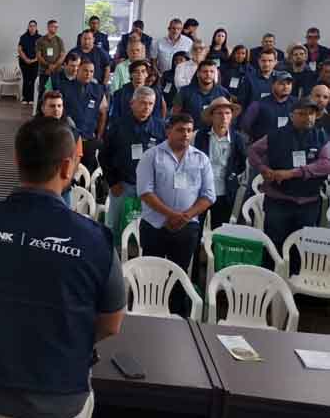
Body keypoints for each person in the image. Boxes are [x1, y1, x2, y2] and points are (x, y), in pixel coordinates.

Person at [0, 116, 124, 418]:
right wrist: (64, 337)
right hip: (61, 401)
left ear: (17, 160)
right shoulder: (96, 240)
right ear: (67, 168)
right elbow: (111, 324)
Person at [136, 113, 215, 314]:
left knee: (180, 275)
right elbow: (145, 191)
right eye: (180, 130)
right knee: (152, 276)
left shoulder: (201, 159)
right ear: (168, 131)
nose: (186, 135)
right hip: (155, 226)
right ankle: (148, 315)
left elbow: (209, 196)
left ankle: (178, 318)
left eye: (189, 130)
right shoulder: (151, 156)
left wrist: (186, 216)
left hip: (186, 228)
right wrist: (170, 215)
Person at [249, 97, 330, 274]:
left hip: (308, 203)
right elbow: (253, 151)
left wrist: (293, 173)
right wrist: (263, 168)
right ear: (291, 115)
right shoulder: (275, 135)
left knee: (301, 248)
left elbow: (326, 164)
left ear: (316, 116)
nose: (307, 117)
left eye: (311, 113)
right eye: (302, 114)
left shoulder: (322, 136)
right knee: (273, 246)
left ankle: (294, 288)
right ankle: (269, 283)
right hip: (279, 201)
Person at [100, 86, 166, 236]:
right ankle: (112, 257)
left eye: (150, 104)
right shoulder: (117, 126)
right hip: (122, 185)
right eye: (142, 103)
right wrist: (113, 182)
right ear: (132, 103)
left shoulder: (161, 128)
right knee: (113, 227)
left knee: (146, 229)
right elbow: (104, 156)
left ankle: (140, 258)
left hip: (150, 189)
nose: (146, 107)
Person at [194, 97, 246, 230]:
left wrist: (233, 174)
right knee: (195, 229)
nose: (224, 117)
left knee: (219, 231)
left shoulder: (238, 139)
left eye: (228, 113)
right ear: (212, 116)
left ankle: (214, 252)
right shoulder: (199, 136)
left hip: (225, 192)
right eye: (219, 113)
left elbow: (241, 163)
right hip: (201, 191)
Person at [58, 58, 108, 172]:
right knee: (68, 170)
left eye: (91, 71)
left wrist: (99, 136)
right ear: (77, 70)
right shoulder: (64, 87)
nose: (88, 74)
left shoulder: (98, 90)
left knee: (87, 172)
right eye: (85, 70)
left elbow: (103, 113)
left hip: (89, 139)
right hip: (69, 139)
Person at [241, 70, 296, 143]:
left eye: (288, 84)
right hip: (264, 148)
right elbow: (245, 126)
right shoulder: (258, 104)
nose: (286, 87)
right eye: (281, 84)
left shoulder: (296, 104)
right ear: (272, 85)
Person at [172, 60, 229, 126]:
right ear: (198, 74)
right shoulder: (183, 91)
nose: (208, 74)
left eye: (212, 72)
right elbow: (175, 114)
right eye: (205, 71)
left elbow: (229, 116)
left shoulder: (223, 92)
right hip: (190, 133)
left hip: (214, 133)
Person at [236, 48, 277, 114]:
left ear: (275, 62)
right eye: (263, 61)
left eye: (270, 61)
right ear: (259, 61)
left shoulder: (280, 79)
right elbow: (242, 102)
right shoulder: (249, 79)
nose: (266, 64)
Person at [35, 20, 66, 103]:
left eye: (57, 27)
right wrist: (48, 66)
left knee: (57, 92)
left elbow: (62, 55)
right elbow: (38, 56)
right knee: (42, 91)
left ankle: (57, 111)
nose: (55, 28)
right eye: (53, 26)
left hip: (57, 71)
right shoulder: (40, 40)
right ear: (48, 27)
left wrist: (54, 66)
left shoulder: (59, 40)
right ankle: (40, 111)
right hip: (44, 71)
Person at [18, 20, 41, 105]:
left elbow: (41, 51)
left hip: (36, 62)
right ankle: (25, 98)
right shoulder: (23, 37)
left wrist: (34, 60)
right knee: (26, 79)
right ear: (28, 27)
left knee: (33, 79)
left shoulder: (40, 38)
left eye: (34, 26)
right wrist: (26, 59)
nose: (32, 27)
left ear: (36, 27)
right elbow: (20, 50)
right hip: (24, 62)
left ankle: (31, 98)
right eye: (30, 26)